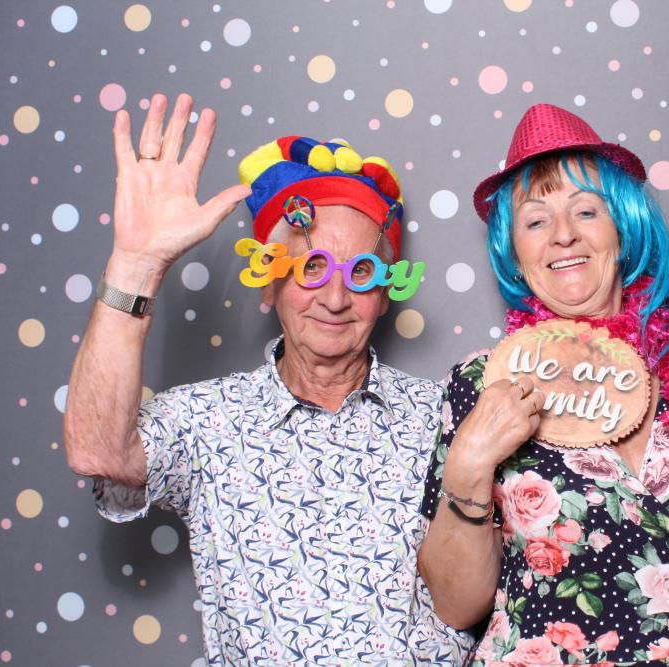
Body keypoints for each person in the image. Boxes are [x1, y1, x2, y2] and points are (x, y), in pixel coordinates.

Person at [63, 93, 471, 665]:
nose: (335, 298)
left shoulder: (450, 418)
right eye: (311, 267)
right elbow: (97, 450)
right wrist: (137, 264)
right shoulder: (206, 421)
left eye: (360, 271)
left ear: (384, 294)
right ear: (268, 284)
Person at [418, 104, 669, 666]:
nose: (563, 236)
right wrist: (468, 463)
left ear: (623, 227)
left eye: (586, 211)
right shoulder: (482, 382)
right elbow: (455, 606)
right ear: (515, 250)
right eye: (536, 221)